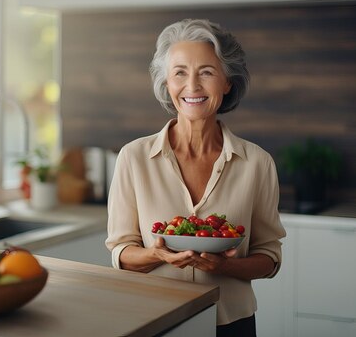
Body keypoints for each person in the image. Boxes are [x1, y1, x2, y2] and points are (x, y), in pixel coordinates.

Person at [105, 18, 286, 337]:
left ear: (227, 81)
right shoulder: (133, 158)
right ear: (166, 83)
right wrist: (156, 254)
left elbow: (269, 258)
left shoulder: (257, 163)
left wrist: (225, 266)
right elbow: (121, 251)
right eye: (180, 73)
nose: (192, 86)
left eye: (207, 72)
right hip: (155, 321)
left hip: (231, 324)